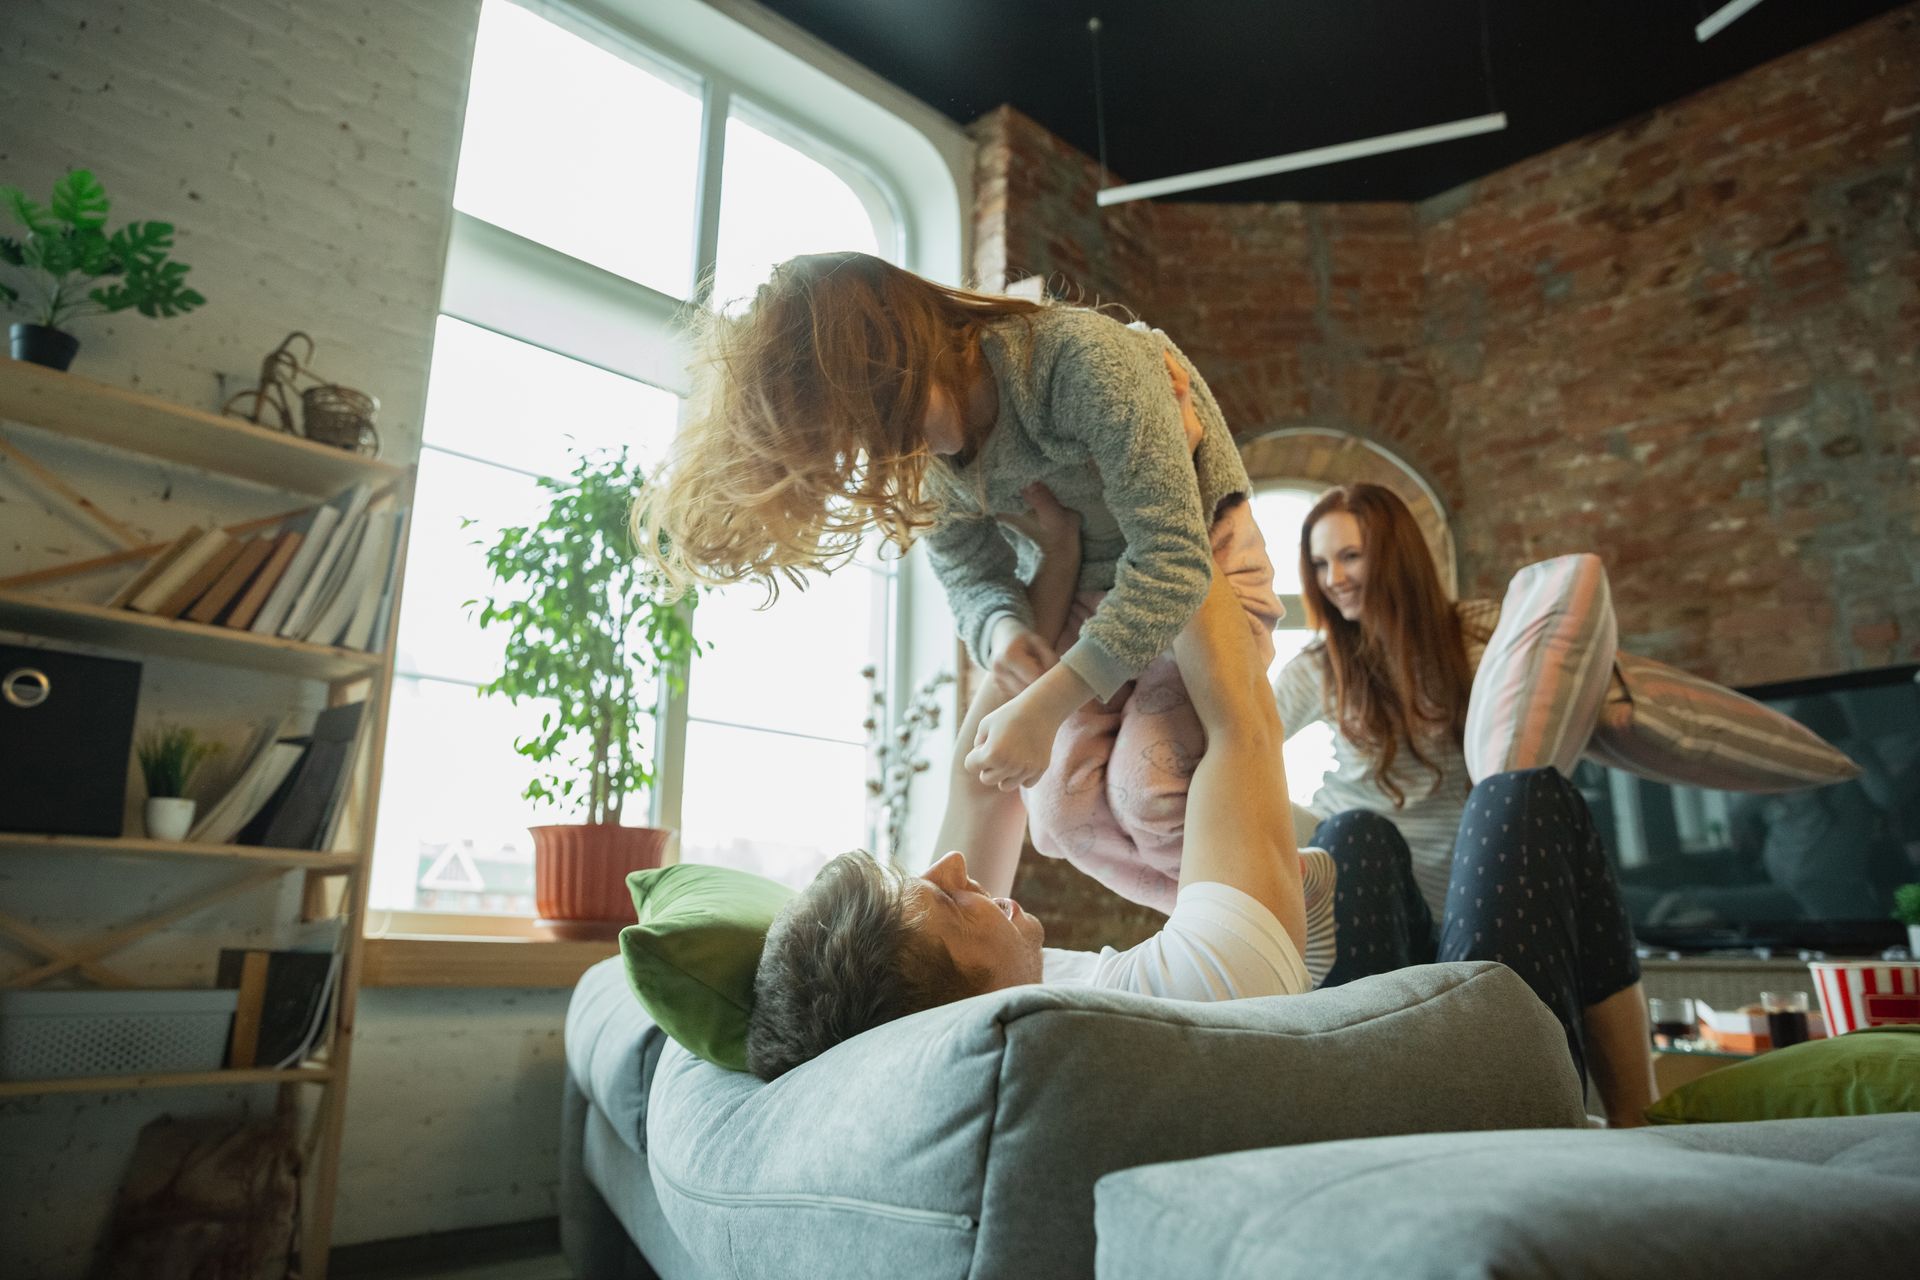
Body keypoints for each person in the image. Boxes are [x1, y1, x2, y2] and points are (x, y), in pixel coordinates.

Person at [747, 498, 1656, 1127]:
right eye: (944, 905)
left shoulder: (1001, 987)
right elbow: (1241, 720)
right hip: (1485, 1090)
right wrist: (1159, 498)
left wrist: (1060, 563)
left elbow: (982, 773)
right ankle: (1631, 1118)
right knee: (1528, 798)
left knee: (1360, 840)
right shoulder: (1185, 993)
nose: (949, 874)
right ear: (946, 1003)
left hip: (1388, 1040)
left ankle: (1633, 1115)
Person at [634, 252, 1283, 914]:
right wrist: (1004, 630)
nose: (881, 453)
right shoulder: (915, 464)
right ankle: (1249, 905)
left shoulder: (1074, 363)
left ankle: (1264, 896)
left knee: (1150, 793)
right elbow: (971, 576)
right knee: (1060, 820)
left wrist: (1045, 705)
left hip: (1203, 572)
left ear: (893, 360)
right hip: (1094, 596)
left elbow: (1173, 557)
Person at [1274, 482, 1655, 1123]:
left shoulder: (1476, 634)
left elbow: (1544, 700)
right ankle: (1357, 1119)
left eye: (1351, 556)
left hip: (1484, 918)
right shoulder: (1318, 666)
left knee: (1533, 790)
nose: (1334, 578)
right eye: (1319, 564)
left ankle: (1638, 1118)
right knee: (1354, 832)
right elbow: (1239, 748)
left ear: (1395, 555)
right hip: (1379, 919)